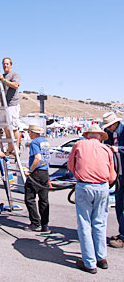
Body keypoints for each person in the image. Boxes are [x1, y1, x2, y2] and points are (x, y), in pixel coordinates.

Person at [67, 124, 116, 274]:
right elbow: (112, 175)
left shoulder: (79, 145)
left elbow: (70, 165)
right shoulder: (106, 149)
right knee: (100, 222)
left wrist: (80, 175)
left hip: (85, 186)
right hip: (102, 187)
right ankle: (101, 257)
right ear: (100, 136)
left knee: (84, 223)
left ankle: (89, 262)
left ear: (88, 135)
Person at [102, 111, 124, 248]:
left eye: (109, 126)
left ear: (115, 123)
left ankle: (123, 236)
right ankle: (121, 231)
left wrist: (119, 149)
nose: (108, 129)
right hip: (118, 173)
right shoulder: (110, 133)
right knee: (119, 205)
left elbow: (116, 149)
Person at [24, 124, 50, 232]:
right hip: (45, 171)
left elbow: (37, 158)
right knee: (44, 199)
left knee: (29, 198)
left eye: (30, 132)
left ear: (34, 133)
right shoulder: (45, 141)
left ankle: (35, 222)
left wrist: (30, 170)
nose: (29, 134)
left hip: (36, 172)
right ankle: (45, 224)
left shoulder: (34, 142)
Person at [0, 57, 20, 154]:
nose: (5, 65)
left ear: (11, 65)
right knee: (6, 127)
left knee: (14, 127)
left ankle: (16, 148)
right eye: (4, 64)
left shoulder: (14, 74)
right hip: (4, 105)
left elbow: (15, 85)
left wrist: (4, 80)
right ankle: (10, 148)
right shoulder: (1, 76)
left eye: (7, 64)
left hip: (12, 104)